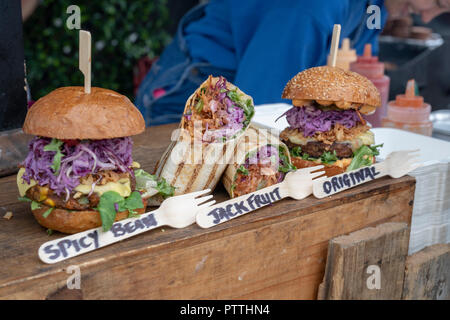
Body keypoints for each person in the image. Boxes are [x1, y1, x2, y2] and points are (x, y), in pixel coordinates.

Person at [135, 0, 450, 126]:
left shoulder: (375, 7)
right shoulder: (311, 6)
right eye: (435, 1)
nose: (428, 17)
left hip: (250, 107)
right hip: (195, 102)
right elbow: (264, 115)